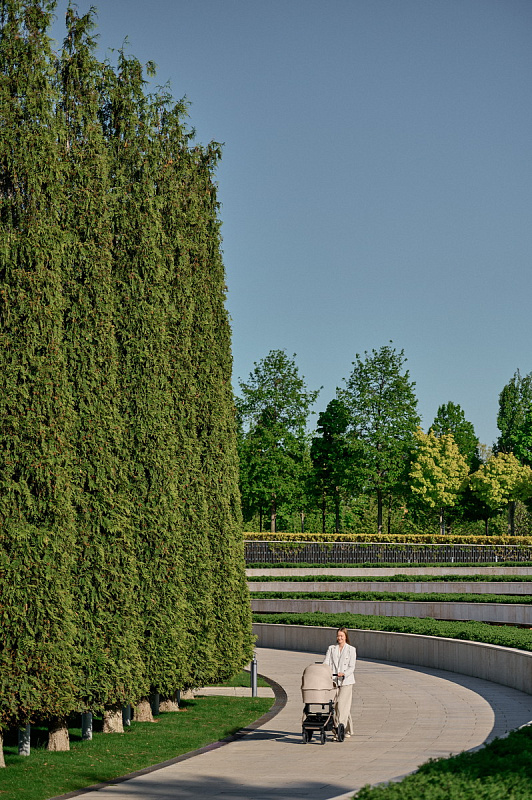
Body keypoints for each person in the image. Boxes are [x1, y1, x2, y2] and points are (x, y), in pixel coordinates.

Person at [323, 626, 356, 739]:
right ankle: (348, 730)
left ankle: (338, 731)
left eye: (341, 636)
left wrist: (344, 673)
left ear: (346, 636)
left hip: (346, 682)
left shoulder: (351, 650)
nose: (339, 638)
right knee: (338, 706)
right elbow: (326, 662)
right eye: (338, 636)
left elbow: (352, 667)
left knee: (341, 704)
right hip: (334, 681)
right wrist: (325, 671)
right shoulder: (332, 648)